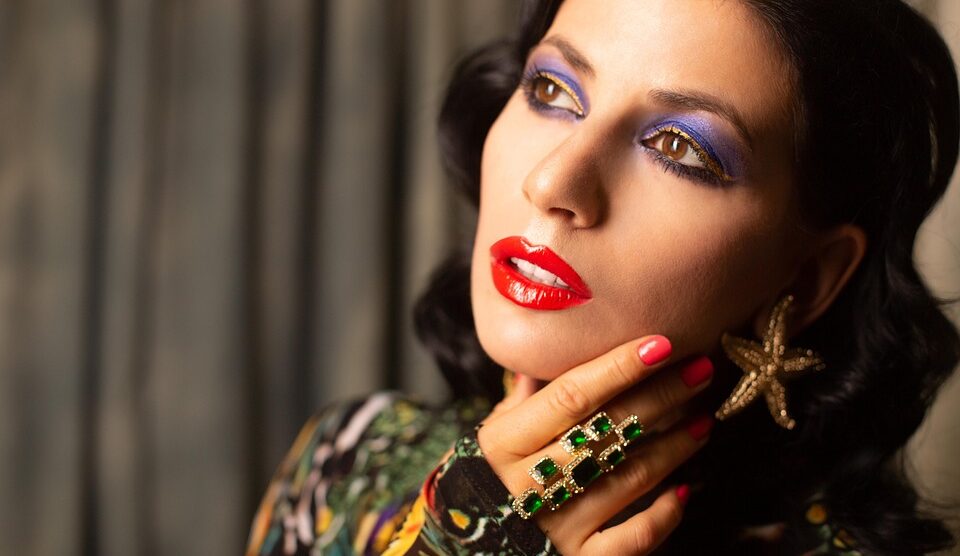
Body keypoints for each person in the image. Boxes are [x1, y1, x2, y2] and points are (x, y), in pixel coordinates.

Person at [245, 0, 960, 554]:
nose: (553, 181)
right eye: (551, 90)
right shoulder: (350, 459)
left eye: (679, 147)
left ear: (806, 278)